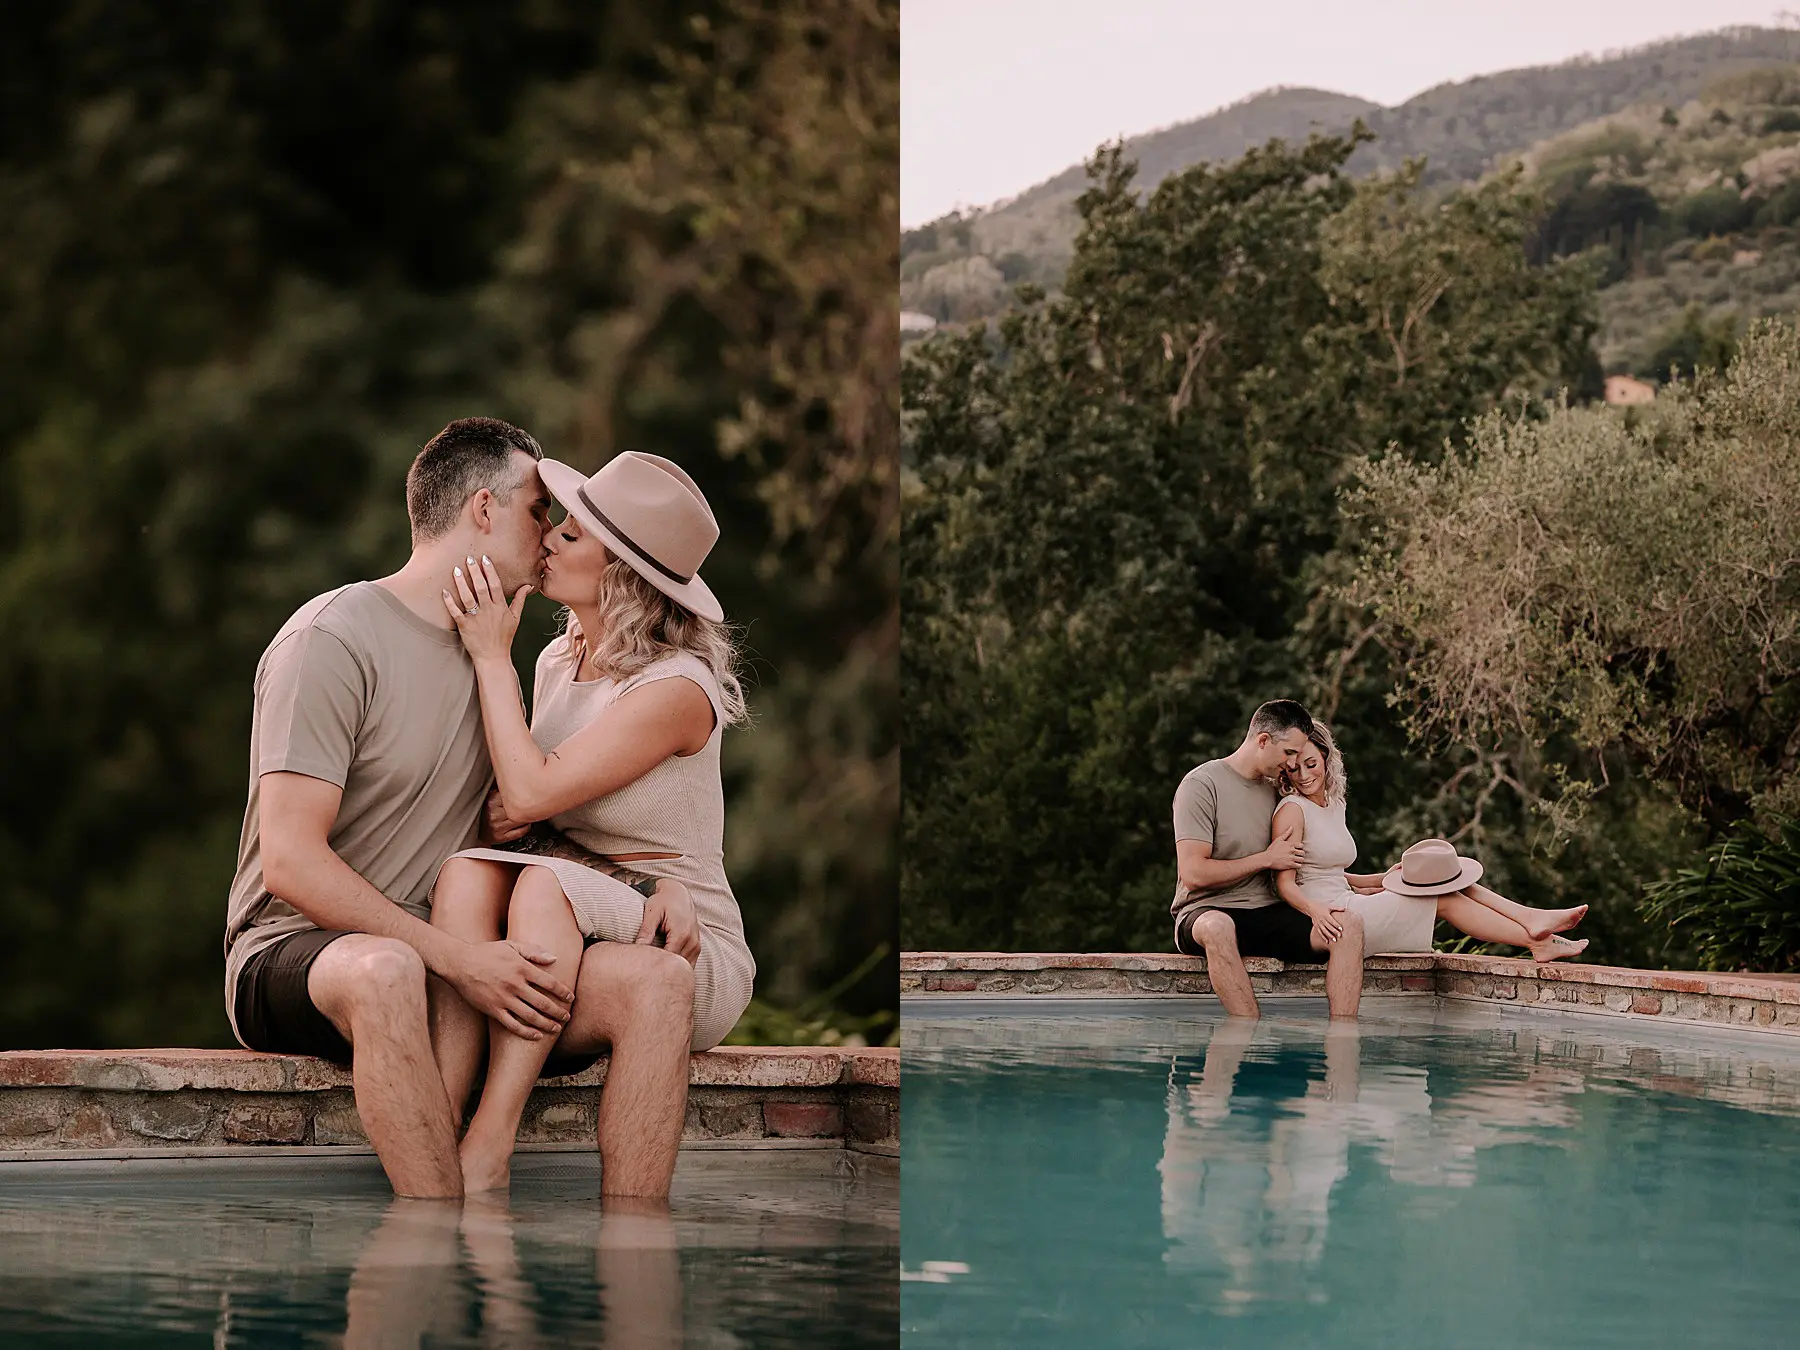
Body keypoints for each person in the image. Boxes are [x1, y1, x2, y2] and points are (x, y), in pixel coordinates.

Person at [221, 417, 694, 1201]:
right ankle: (429, 1245)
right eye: (539, 510)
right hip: (302, 948)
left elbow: (529, 836)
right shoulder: (332, 638)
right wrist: (458, 960)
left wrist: (651, 889)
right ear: (483, 509)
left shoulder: (499, 660)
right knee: (389, 971)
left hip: (461, 957)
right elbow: (291, 862)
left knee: (657, 985)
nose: (549, 534)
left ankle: (638, 1270)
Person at [426, 449, 756, 1195]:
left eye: (572, 536)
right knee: (470, 872)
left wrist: (487, 658)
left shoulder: (675, 688)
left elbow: (535, 789)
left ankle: (491, 1139)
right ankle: (436, 1117)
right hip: (588, 910)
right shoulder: (554, 661)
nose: (548, 539)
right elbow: (530, 809)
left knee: (542, 888)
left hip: (682, 933)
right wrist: (516, 820)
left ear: (622, 578)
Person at [1269, 720, 1588, 961]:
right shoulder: (1293, 810)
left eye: (1311, 764)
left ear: (1327, 758)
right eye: (1295, 768)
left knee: (1443, 874)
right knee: (1442, 897)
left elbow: (1332, 874)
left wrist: (1383, 878)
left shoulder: (1334, 805)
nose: (1303, 776)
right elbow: (1285, 884)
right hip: (1331, 919)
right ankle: (1535, 936)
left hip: (1349, 901)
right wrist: (1316, 911)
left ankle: (1532, 923)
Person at [1172, 700, 1366, 1019]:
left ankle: (1342, 1043)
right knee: (1219, 927)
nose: (1292, 765)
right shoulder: (1201, 784)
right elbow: (1194, 873)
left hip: (1264, 911)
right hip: (1205, 910)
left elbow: (1304, 860)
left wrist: (1367, 883)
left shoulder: (1276, 791)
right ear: (1263, 740)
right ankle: (1248, 1033)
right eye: (1289, 753)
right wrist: (1264, 859)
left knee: (1349, 925)